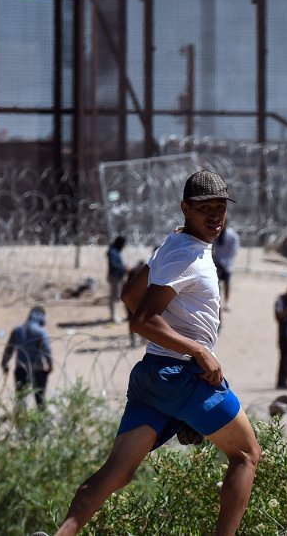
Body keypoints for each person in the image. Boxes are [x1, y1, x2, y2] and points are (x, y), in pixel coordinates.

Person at [50, 170, 261, 536]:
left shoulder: (173, 245)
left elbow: (130, 294)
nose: (214, 216)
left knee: (117, 471)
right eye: (204, 208)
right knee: (246, 455)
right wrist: (198, 349)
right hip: (183, 376)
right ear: (185, 209)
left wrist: (177, 330)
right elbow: (142, 318)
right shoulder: (187, 257)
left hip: (152, 375)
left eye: (220, 208)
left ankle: (62, 533)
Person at [1, 305, 53, 409]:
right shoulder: (41, 332)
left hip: (21, 368)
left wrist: (4, 363)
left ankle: (21, 423)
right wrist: (50, 365)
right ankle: (42, 424)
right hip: (38, 369)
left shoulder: (17, 330)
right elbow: (47, 350)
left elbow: (9, 350)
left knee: (20, 400)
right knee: (40, 400)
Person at [213, 221, 241, 309]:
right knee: (215, 284)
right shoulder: (215, 233)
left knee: (227, 283)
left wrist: (225, 261)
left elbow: (234, 250)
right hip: (216, 263)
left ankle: (226, 302)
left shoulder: (232, 235)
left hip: (227, 264)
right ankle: (216, 301)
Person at [107, 236, 128, 322]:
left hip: (118, 277)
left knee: (118, 296)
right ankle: (113, 316)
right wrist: (123, 268)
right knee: (114, 297)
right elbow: (114, 265)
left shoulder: (116, 252)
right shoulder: (113, 252)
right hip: (114, 277)